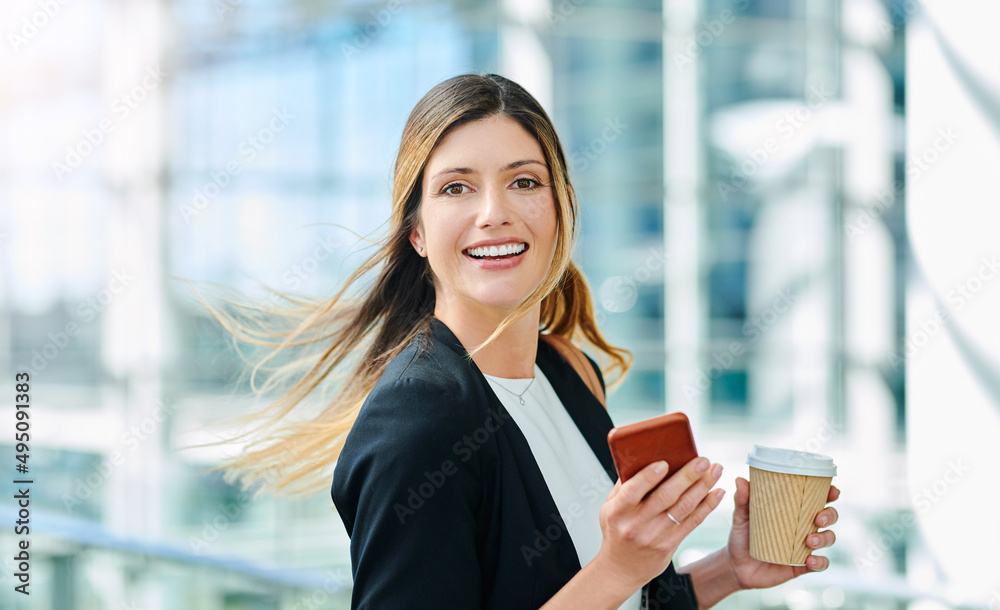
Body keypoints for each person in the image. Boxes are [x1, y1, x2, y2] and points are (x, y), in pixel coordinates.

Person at [203, 73, 840, 609]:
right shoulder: (420, 417)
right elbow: (606, 584)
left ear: (562, 206)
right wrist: (617, 569)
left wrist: (730, 569)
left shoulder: (567, 371)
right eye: (456, 188)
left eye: (524, 182)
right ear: (417, 233)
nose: (493, 212)